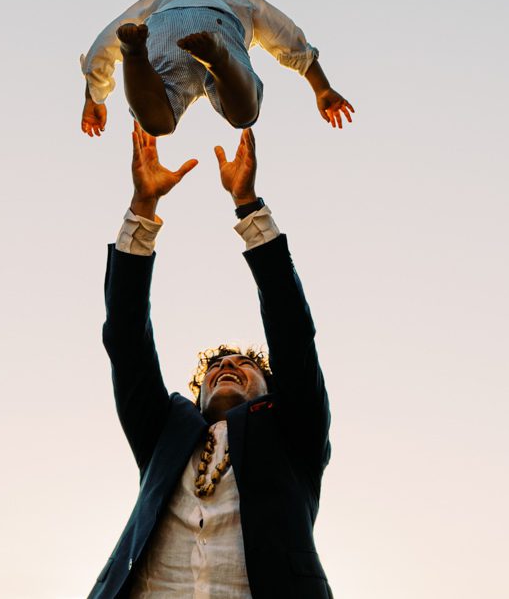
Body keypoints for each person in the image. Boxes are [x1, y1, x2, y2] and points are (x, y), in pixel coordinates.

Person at [89, 123, 334, 599]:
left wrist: (249, 208)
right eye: (217, 368)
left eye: (247, 365)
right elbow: (125, 339)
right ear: (196, 394)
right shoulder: (164, 432)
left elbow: (293, 331)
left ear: (271, 388)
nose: (229, 366)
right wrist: (143, 210)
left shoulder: (293, 433)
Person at [80, 0, 354, 139]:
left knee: (157, 122)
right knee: (243, 115)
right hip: (219, 25)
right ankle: (220, 60)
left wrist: (94, 97)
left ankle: (135, 56)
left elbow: (106, 39)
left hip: (163, 27)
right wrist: (322, 87)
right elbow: (286, 35)